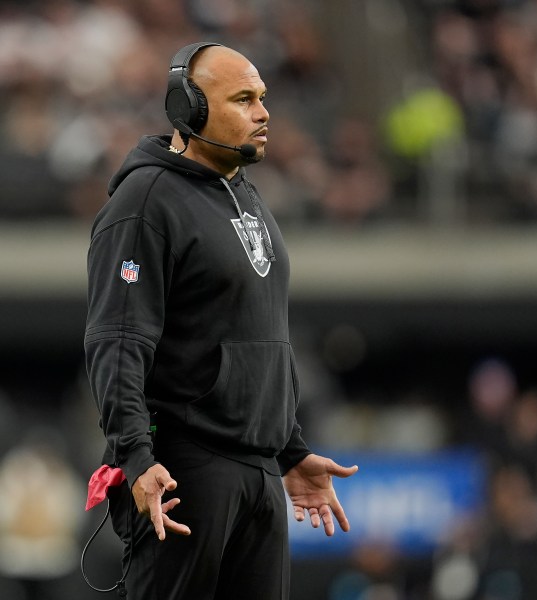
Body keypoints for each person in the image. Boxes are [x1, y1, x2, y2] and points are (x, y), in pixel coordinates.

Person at [84, 42, 358, 600]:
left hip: (259, 472)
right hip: (185, 470)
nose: (263, 113)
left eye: (263, 99)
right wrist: (138, 457)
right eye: (243, 99)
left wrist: (289, 448)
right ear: (189, 109)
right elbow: (117, 341)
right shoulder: (145, 200)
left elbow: (261, 336)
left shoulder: (247, 196)